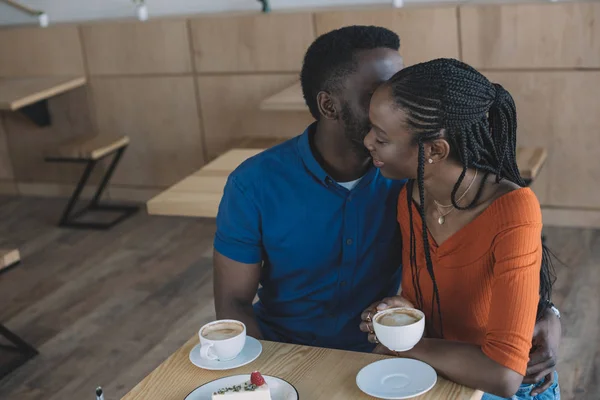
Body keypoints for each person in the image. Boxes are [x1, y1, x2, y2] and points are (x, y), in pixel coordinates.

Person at [213, 26, 560, 389]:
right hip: (288, 358)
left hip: (390, 360)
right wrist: (268, 381)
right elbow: (233, 304)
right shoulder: (254, 183)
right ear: (328, 105)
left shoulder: (417, 178)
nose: (396, 98)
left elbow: (501, 261)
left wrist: (547, 313)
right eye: (374, 93)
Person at [361, 58, 560, 399]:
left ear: (435, 151)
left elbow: (504, 375)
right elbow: (441, 296)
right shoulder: (411, 196)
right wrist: (402, 311)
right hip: (437, 376)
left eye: (381, 137)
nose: (367, 142)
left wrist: (403, 346)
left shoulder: (514, 210)